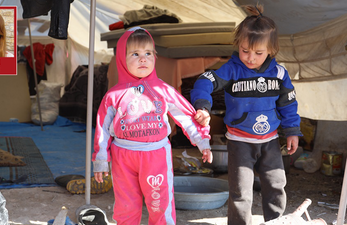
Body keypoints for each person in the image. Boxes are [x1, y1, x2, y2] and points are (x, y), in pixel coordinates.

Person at [190, 4, 303, 225]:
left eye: (258, 53)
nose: (250, 57)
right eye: (244, 50)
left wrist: (292, 131)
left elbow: (288, 104)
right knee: (241, 192)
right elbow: (204, 81)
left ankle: (275, 222)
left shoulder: (280, 74)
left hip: (270, 141)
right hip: (240, 142)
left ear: (271, 49)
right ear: (238, 46)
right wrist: (203, 106)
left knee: (276, 184)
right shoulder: (231, 70)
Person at [91, 27, 212, 224]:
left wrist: (202, 141)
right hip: (123, 156)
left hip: (156, 155)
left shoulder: (162, 89)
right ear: (122, 58)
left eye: (148, 53)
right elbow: (102, 130)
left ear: (155, 57)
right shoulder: (113, 96)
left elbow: (186, 116)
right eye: (135, 54)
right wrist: (101, 159)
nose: (143, 59)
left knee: (159, 203)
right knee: (126, 205)